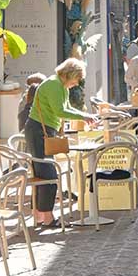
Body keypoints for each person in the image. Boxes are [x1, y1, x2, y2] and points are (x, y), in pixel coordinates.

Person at [24, 59, 97, 228]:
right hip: (38, 131)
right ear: (70, 74)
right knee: (48, 174)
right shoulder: (53, 85)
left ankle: (40, 215)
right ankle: (47, 217)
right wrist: (84, 116)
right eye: (77, 78)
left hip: (45, 131)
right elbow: (60, 111)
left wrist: (85, 116)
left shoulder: (61, 86)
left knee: (43, 173)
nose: (76, 83)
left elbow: (65, 108)